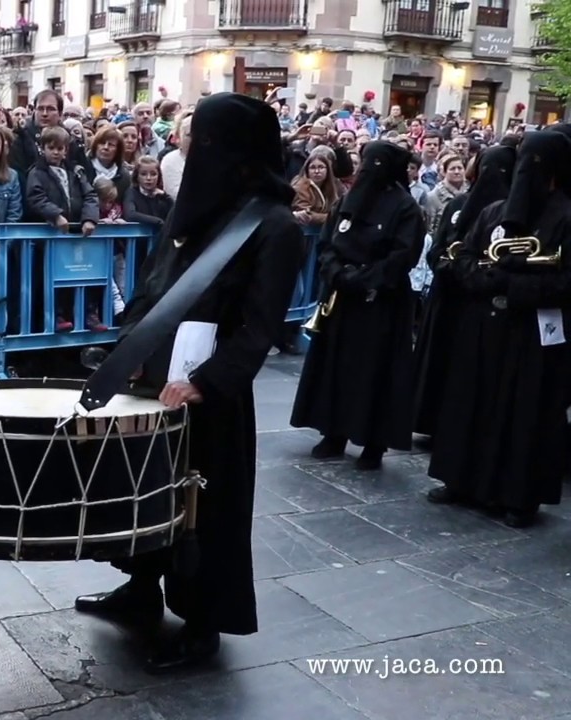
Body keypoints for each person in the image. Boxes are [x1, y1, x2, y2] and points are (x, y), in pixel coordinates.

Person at [73, 93, 307, 672]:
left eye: (204, 140)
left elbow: (260, 325)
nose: (191, 149)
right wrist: (130, 348)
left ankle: (204, 622)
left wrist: (208, 381)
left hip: (209, 394)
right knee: (143, 490)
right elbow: (152, 286)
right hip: (155, 378)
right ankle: (140, 588)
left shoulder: (274, 225)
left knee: (206, 506)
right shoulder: (194, 207)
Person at [426, 130, 571, 528]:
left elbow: (565, 282)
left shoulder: (566, 218)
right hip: (483, 324)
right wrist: (485, 278)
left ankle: (518, 496)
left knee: (523, 413)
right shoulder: (493, 212)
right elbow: (466, 257)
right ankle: (461, 479)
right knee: (471, 401)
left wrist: (514, 283)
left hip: (531, 333)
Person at [290, 141, 425, 470]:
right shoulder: (347, 201)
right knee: (336, 366)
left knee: (376, 372)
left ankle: (374, 443)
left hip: (381, 302)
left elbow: (403, 255)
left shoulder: (405, 207)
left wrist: (367, 278)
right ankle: (333, 431)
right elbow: (328, 242)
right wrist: (338, 272)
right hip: (343, 298)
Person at [411, 146, 516, 441]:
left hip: (482, 304)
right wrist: (451, 265)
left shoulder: (514, 211)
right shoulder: (459, 205)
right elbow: (438, 247)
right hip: (449, 297)